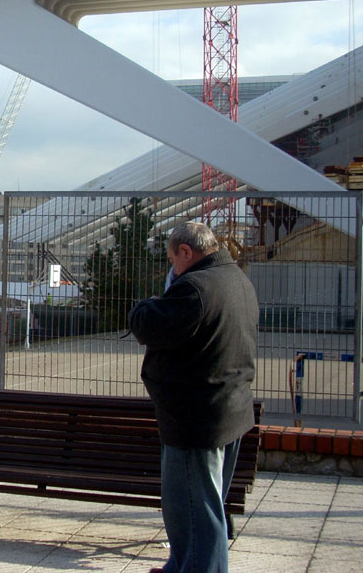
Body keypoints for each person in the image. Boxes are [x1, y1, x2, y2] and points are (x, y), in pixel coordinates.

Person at [127, 222, 258, 573]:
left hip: (196, 419)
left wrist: (147, 305)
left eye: (173, 259)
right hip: (228, 409)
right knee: (202, 504)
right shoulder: (235, 279)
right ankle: (181, 566)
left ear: (186, 252)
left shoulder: (196, 289)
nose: (172, 268)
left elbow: (151, 325)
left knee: (194, 508)